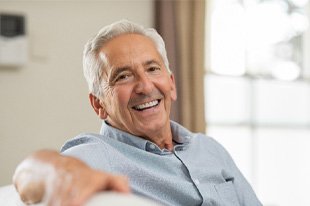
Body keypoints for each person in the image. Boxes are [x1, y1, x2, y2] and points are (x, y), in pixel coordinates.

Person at [13, 20, 262, 206]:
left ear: (171, 84)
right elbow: (27, 174)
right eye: (123, 76)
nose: (144, 86)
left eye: (152, 69)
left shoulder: (209, 148)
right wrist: (59, 173)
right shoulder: (99, 155)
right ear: (98, 104)